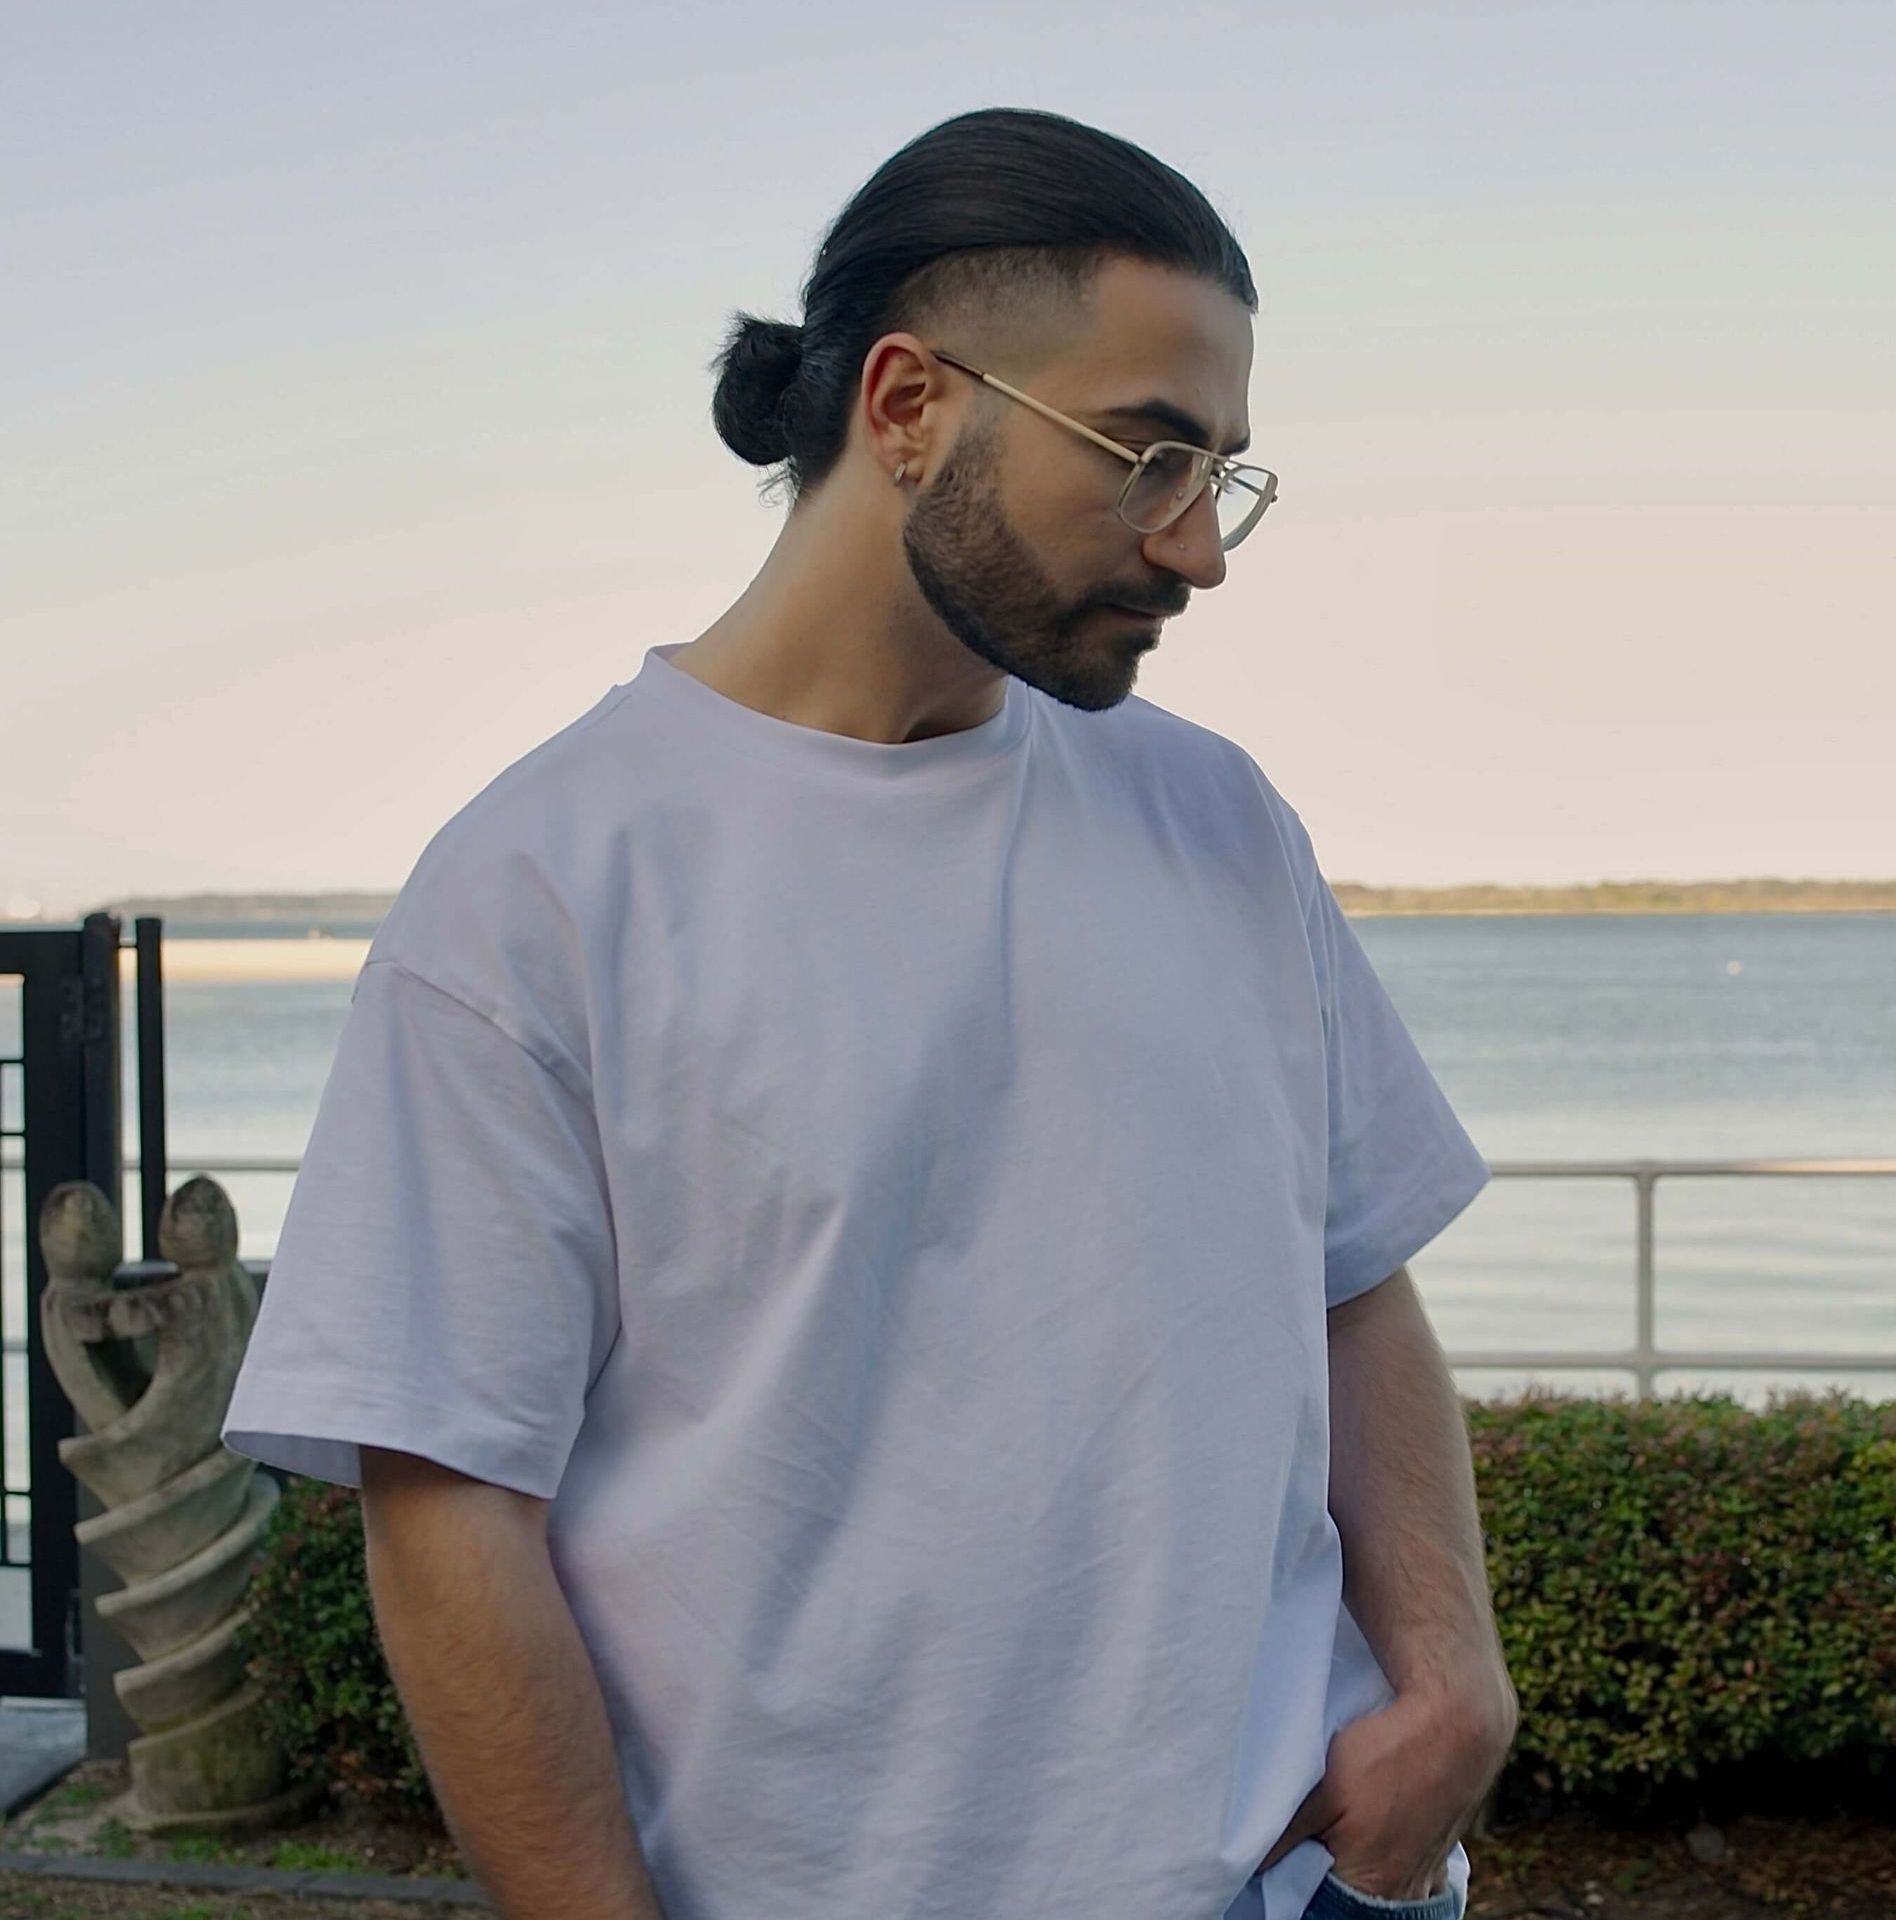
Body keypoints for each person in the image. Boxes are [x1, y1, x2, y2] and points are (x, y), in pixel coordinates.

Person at [220, 104, 1517, 1920]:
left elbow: (1354, 1272)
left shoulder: (1218, 817)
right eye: (1146, 457)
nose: (1196, 547)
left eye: (1221, 474)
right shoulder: (544, 887)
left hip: (1300, 1882)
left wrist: (1451, 1685)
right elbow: (449, 1512)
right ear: (908, 407)